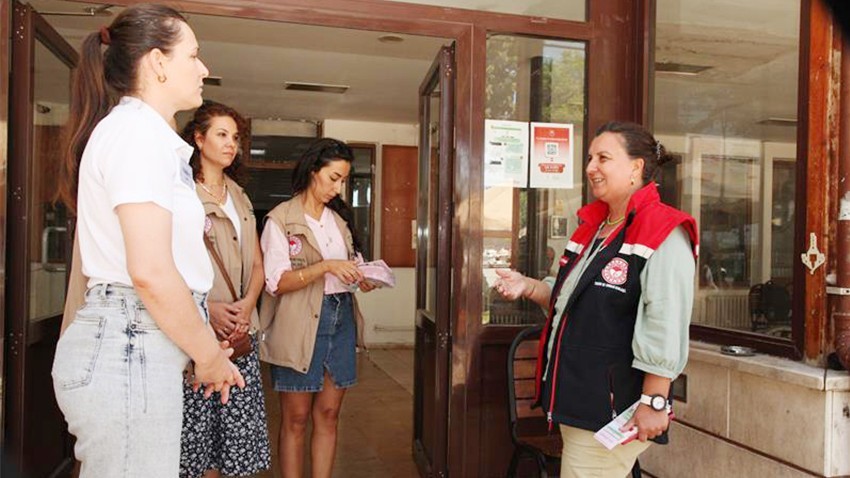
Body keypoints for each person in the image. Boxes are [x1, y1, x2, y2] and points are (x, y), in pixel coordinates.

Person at [52, 5, 244, 477]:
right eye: (194, 55)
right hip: (127, 343)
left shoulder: (147, 137)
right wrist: (209, 354)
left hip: (135, 343)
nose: (204, 68)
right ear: (158, 63)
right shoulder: (137, 135)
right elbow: (151, 273)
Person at [494, 121, 698, 477]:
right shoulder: (596, 228)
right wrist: (528, 286)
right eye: (590, 158)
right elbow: (571, 301)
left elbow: (665, 319)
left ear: (636, 167)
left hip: (613, 409)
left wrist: (654, 401)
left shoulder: (662, 230)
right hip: (581, 402)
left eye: (603, 157)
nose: (591, 167)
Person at [259, 138, 378, 478]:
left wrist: (360, 278)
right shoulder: (280, 220)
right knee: (295, 419)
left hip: (340, 319)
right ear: (313, 171)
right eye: (333, 178)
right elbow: (277, 282)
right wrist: (325, 266)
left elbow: (346, 270)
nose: (338, 188)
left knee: (328, 415)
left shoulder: (338, 221)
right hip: (299, 323)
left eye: (343, 180)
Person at [178, 101, 271, 478]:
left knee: (234, 440)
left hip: (239, 334)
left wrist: (247, 305)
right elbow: (165, 263)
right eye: (221, 134)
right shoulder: (180, 193)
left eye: (235, 137)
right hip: (196, 333)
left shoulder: (240, 196)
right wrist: (209, 308)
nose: (231, 144)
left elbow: (259, 265)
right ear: (199, 139)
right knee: (196, 442)